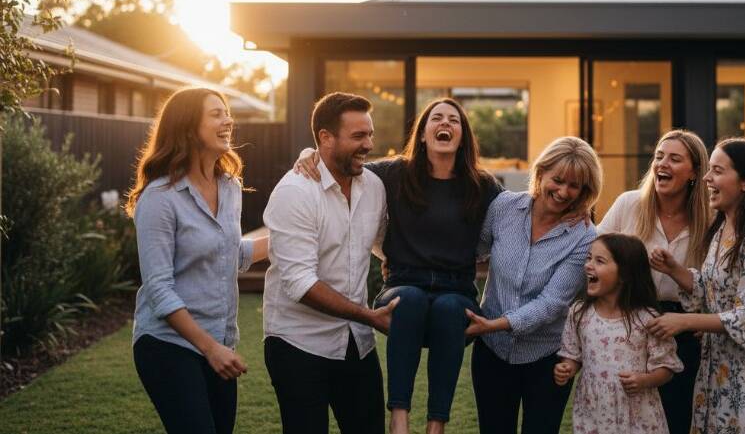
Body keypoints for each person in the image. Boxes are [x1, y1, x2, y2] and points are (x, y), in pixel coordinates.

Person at [294, 98, 501, 434]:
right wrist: (310, 154)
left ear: (463, 136)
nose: (445, 123)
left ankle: (437, 423)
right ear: (422, 133)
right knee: (410, 300)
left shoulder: (483, 185)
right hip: (405, 282)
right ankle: (399, 417)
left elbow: (520, 211)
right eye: (436, 118)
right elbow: (345, 163)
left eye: (454, 120)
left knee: (449, 308)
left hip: (456, 289)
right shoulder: (393, 173)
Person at [127, 87, 269, 434]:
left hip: (219, 342)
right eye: (216, 114)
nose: (228, 120)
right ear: (188, 127)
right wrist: (209, 349)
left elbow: (229, 255)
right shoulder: (160, 199)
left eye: (227, 112)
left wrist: (292, 237)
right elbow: (159, 289)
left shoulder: (230, 187)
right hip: (168, 344)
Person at [648, 138, 745, 434]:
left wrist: (685, 320)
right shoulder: (722, 228)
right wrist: (674, 269)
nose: (706, 178)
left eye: (717, 171)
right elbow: (712, 289)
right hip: (717, 367)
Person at [263, 92, 395, 434]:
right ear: (325, 138)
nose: (368, 144)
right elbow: (299, 284)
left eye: (370, 134)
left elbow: (382, 246)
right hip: (298, 344)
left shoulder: (374, 186)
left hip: (356, 342)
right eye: (358, 136)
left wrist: (399, 274)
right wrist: (368, 315)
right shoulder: (295, 192)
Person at [467, 136, 602, 434]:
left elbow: (553, 303)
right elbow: (474, 253)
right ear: (541, 173)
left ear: (585, 190)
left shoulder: (585, 236)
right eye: (558, 180)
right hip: (492, 353)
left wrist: (492, 324)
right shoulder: (503, 207)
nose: (563, 191)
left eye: (575, 186)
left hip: (545, 357)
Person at [597, 129, 709, 434]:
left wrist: (702, 319)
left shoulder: (710, 219)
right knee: (626, 416)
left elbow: (718, 281)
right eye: (659, 156)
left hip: (683, 331)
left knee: (677, 416)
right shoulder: (629, 204)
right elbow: (595, 255)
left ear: (694, 172)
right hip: (629, 323)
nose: (663, 164)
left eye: (675, 159)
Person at [554, 233, 683, 434]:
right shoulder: (579, 313)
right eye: (588, 258)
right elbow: (572, 354)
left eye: (599, 261)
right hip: (593, 412)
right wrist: (567, 368)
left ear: (624, 274)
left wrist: (645, 381)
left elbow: (667, 366)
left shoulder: (647, 318)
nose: (588, 265)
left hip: (637, 415)